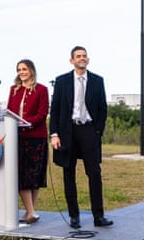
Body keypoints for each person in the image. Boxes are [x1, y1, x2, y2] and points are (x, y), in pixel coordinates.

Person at [49, 46, 113, 229]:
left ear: (88, 59)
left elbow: (103, 108)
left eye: (84, 56)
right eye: (78, 56)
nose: (82, 58)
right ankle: (74, 215)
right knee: (68, 173)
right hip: (67, 131)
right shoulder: (62, 81)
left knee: (94, 173)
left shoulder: (97, 80)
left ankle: (98, 216)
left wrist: (97, 131)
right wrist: (54, 134)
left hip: (89, 131)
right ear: (72, 60)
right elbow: (55, 109)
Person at [7, 59, 49, 224]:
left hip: (36, 138)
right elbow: (10, 111)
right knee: (22, 175)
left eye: (24, 69)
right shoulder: (14, 90)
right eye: (19, 69)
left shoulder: (42, 89)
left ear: (31, 70)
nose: (21, 72)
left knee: (35, 176)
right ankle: (31, 212)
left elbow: (43, 113)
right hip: (18, 137)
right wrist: (15, 124)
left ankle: (29, 211)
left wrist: (26, 123)